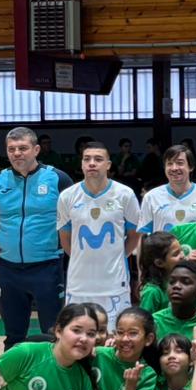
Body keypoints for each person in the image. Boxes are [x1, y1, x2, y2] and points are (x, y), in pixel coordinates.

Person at [0, 126, 73, 351]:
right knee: (13, 336)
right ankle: (13, 374)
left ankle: (53, 374)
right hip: (9, 269)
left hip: (48, 267)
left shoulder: (58, 179)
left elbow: (72, 220)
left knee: (53, 334)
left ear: (36, 150)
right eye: (11, 149)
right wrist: (8, 243)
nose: (17, 153)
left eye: (22, 148)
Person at [57, 140, 141, 332]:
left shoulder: (125, 194)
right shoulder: (67, 196)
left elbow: (134, 235)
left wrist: (118, 255)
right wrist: (81, 257)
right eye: (87, 159)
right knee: (78, 336)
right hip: (78, 283)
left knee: (113, 336)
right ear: (81, 164)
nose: (92, 163)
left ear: (108, 164)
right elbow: (65, 239)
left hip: (114, 283)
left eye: (98, 159)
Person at [139, 143, 196, 234]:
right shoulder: (151, 197)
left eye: (180, 163)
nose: (174, 168)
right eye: (169, 164)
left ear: (191, 167)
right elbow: (144, 234)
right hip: (162, 244)